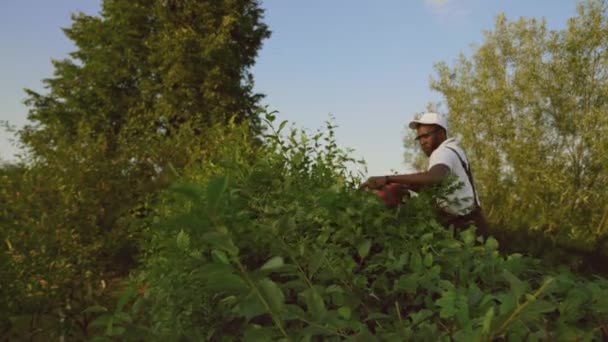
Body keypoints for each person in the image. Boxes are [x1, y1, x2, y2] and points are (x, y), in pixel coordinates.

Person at [360, 112, 489, 237]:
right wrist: (401, 185)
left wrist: (388, 179)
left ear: (441, 133)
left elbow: (435, 177)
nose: (422, 142)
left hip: (465, 228)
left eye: (426, 136)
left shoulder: (442, 152)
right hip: (474, 224)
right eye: (419, 138)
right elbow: (432, 186)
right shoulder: (454, 150)